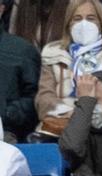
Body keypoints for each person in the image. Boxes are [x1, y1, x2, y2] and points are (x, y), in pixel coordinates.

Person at [35, 0, 102, 140]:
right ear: (68, 23)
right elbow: (44, 98)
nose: (84, 24)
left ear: (101, 23)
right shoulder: (52, 53)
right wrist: (73, 116)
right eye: (77, 19)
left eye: (91, 18)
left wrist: (99, 117)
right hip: (62, 128)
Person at [0, 0, 40, 141]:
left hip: (5, 134)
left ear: (1, 9)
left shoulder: (22, 50)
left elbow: (34, 98)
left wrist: (6, 114)